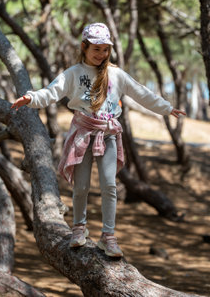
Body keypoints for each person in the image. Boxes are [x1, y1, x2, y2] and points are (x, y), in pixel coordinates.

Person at [11, 22, 186, 257]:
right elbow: (52, 91)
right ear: (84, 47)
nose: (101, 54)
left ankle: (108, 236)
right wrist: (30, 98)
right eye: (97, 49)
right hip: (83, 134)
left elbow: (141, 92)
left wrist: (167, 108)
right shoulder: (73, 73)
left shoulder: (116, 74)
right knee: (81, 186)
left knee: (109, 185)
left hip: (108, 135)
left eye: (105, 49)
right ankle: (79, 229)